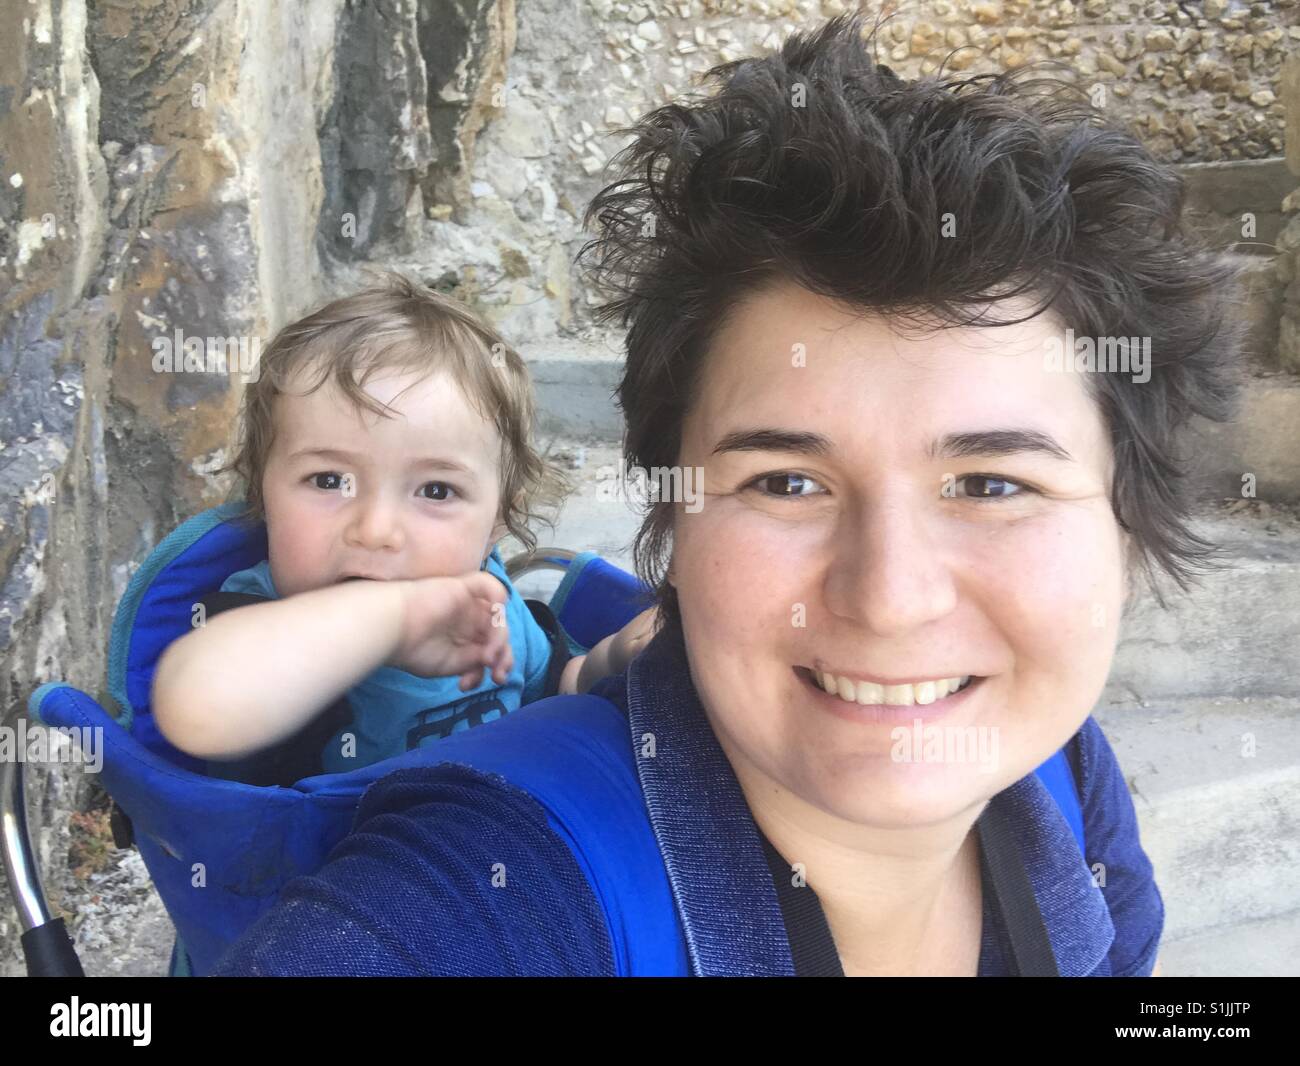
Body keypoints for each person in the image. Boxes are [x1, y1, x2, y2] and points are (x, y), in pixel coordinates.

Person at [211, 12, 1245, 974]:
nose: (888, 597)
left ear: (1128, 529)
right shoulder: (500, 881)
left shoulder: (1059, 780)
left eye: (989, 482)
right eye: (786, 481)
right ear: (671, 527)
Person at [152, 271, 656, 785]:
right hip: (340, 858)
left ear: (496, 523)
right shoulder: (265, 624)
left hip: (496, 840)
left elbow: (549, 695)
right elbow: (197, 709)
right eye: (328, 480)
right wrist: (392, 621)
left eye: (436, 491)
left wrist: (609, 661)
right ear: (261, 493)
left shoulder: (492, 609)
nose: (375, 528)